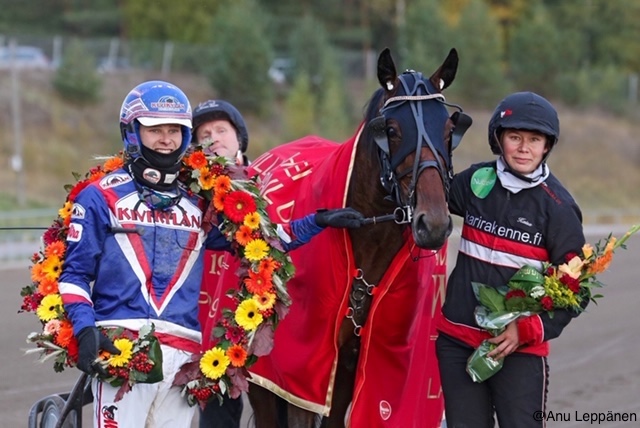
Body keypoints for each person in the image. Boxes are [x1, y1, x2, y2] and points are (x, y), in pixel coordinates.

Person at [58, 80, 365, 428]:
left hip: (184, 359)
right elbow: (75, 275)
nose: (166, 139)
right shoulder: (99, 196)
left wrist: (319, 220)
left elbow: (262, 241)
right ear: (132, 131)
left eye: (174, 130)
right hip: (121, 349)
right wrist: (85, 331)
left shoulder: (200, 205)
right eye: (154, 129)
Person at [435, 92, 586, 427]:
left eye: (534, 140)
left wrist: (526, 330)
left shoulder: (558, 209)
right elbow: (429, 194)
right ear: (498, 139)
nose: (524, 148)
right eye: (515, 137)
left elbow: (578, 290)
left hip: (519, 351)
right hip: (457, 343)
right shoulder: (476, 182)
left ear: (547, 146)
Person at [192, 99, 250, 428]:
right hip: (206, 323)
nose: (214, 138)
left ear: (238, 137)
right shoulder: (187, 190)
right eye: (205, 133)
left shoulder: (267, 182)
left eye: (221, 130)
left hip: (257, 316)